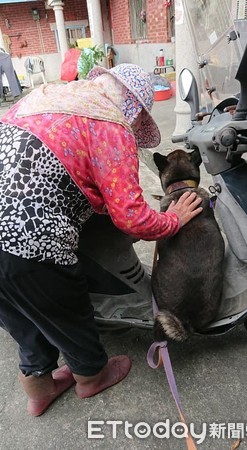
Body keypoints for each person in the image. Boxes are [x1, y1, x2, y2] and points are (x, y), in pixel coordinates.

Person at [0, 63, 203, 417]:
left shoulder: (42, 97)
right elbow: (131, 216)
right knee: (66, 311)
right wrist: (174, 219)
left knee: (23, 315)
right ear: (135, 109)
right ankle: (91, 377)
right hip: (30, 239)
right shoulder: (110, 123)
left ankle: (40, 390)